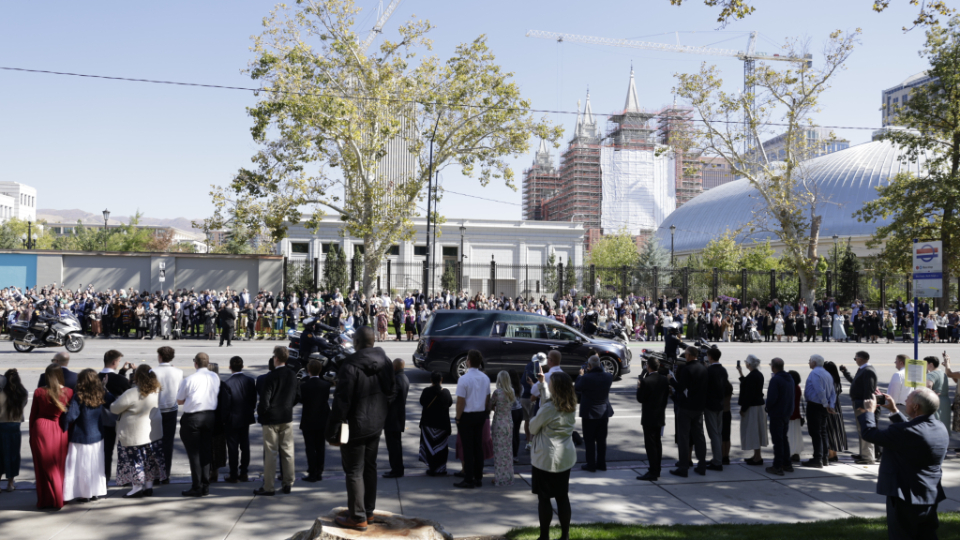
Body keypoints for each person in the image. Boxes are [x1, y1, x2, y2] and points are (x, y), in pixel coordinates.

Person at [327, 326, 395, 531]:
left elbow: (342, 401)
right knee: (370, 466)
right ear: (373, 342)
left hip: (356, 425)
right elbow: (392, 390)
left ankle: (358, 517)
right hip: (376, 423)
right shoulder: (386, 362)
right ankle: (368, 511)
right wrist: (381, 411)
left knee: (354, 471)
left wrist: (332, 429)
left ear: (356, 343)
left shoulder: (350, 365)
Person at [859, 388, 948, 538]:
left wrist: (869, 412)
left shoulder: (904, 432)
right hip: (929, 494)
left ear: (916, 406)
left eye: (908, 399)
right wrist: (894, 410)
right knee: (927, 535)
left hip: (905, 497)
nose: (905, 401)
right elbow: (912, 431)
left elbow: (869, 434)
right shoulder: (940, 427)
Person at [529, 371, 577, 540]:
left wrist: (534, 418)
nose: (549, 384)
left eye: (550, 383)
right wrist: (542, 385)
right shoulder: (571, 404)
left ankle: (544, 536)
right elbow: (548, 401)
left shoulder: (549, 409)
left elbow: (533, 428)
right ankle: (565, 535)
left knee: (544, 499)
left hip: (546, 459)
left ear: (556, 388)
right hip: (564, 458)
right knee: (562, 497)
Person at [110, 364, 166, 498]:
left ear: (137, 377)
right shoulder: (156, 389)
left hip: (135, 435)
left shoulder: (132, 393)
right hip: (153, 434)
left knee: (135, 462)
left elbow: (114, 408)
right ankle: (149, 487)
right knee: (149, 462)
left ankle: (136, 488)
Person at [255, 346, 301, 496]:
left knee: (271, 453)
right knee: (288, 451)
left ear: (276, 358)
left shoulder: (271, 376)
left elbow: (265, 400)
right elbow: (297, 396)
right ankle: (288, 482)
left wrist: (262, 413)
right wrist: (287, 406)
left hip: (271, 418)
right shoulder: (292, 375)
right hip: (286, 417)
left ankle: (269, 486)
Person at [63, 369, 114, 503]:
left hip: (81, 435)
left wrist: (64, 422)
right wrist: (104, 387)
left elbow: (71, 416)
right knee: (95, 465)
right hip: (97, 435)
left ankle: (84, 494)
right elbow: (112, 402)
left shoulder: (78, 396)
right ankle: (94, 492)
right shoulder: (100, 394)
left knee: (82, 467)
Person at [176, 352, 220, 497]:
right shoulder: (215, 377)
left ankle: (197, 486)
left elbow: (179, 400)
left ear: (195, 363)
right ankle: (205, 485)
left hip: (193, 417)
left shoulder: (189, 379)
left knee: (194, 454)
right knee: (206, 451)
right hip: (209, 416)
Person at [30, 364, 73, 509]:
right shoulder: (68, 392)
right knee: (58, 465)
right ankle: (59, 497)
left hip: (40, 429)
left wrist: (31, 434)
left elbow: (33, 415)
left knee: (43, 467)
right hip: (59, 429)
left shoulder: (39, 392)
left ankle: (46, 499)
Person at [455, 349, 492, 489]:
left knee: (468, 448)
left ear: (468, 362)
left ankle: (468, 479)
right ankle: (478, 477)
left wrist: (458, 418)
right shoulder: (485, 378)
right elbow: (487, 398)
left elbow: (460, 402)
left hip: (467, 416)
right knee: (478, 447)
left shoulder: (464, 379)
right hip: (480, 414)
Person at [669, 346, 708, 477]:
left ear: (690, 356)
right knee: (699, 436)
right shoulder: (703, 368)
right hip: (699, 407)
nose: (685, 356)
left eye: (686, 354)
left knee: (684, 438)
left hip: (686, 407)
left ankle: (683, 467)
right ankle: (702, 465)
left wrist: (671, 380)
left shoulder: (687, 369)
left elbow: (680, 388)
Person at [574, 355, 613, 472]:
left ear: (589, 366)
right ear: (600, 364)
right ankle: (601, 463)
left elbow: (577, 387)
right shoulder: (608, 377)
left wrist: (580, 375)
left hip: (589, 413)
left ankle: (590, 464)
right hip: (603, 412)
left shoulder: (586, 378)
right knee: (601, 440)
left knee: (589, 440)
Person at [840, 351, 879, 464]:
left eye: (855, 358)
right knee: (861, 430)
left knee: (865, 429)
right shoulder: (863, 369)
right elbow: (855, 382)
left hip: (863, 405)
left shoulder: (868, 371)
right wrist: (845, 372)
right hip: (858, 403)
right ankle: (863, 454)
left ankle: (868, 457)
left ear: (861, 359)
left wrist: (865, 407)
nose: (855, 360)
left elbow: (869, 390)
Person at [99, 349, 132, 483]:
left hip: (101, 421)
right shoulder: (120, 380)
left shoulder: (95, 378)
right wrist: (124, 374)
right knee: (124, 451)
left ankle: (104, 479)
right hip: (119, 420)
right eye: (118, 361)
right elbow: (129, 395)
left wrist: (122, 372)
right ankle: (125, 478)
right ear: (114, 362)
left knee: (105, 453)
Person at [224, 356, 257, 483]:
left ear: (230, 367)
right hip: (245, 416)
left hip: (232, 419)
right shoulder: (250, 380)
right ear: (242, 366)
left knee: (233, 448)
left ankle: (233, 474)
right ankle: (244, 472)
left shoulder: (227, 383)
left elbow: (226, 404)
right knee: (245, 446)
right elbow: (253, 399)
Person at [153, 346, 183, 482]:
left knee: (155, 442)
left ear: (160, 356)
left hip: (156, 409)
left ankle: (155, 473)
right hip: (171, 409)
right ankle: (166, 474)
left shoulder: (153, 371)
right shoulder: (178, 372)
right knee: (168, 443)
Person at [636, 357, 669, 481]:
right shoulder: (664, 379)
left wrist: (639, 386)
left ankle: (653, 471)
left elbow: (640, 399)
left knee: (650, 445)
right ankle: (657, 469)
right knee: (657, 443)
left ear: (648, 366)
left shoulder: (646, 381)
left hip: (649, 417)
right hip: (659, 415)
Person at [300, 359, 332, 482]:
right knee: (320, 446)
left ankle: (312, 471)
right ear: (320, 370)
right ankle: (319, 471)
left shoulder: (304, 385)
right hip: (322, 419)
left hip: (308, 419)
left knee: (310, 447)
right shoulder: (326, 385)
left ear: (308, 370)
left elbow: (302, 400)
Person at [803, 354, 837, 469]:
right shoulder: (827, 374)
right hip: (823, 406)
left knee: (815, 432)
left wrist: (826, 404)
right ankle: (824, 457)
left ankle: (818, 458)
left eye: (810, 361)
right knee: (822, 431)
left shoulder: (815, 373)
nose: (809, 362)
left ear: (814, 362)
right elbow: (832, 392)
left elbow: (819, 390)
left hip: (816, 405)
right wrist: (830, 405)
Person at [418, 371, 453, 476]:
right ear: (441, 380)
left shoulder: (426, 391)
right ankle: (441, 469)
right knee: (441, 448)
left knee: (429, 447)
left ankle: (432, 468)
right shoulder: (446, 392)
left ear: (431, 380)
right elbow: (450, 403)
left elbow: (422, 402)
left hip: (428, 424)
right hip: (442, 425)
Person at [736, 354, 768, 465]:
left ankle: (757, 457)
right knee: (756, 431)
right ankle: (756, 455)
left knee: (754, 431)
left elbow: (749, 394)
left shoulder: (752, 376)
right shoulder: (757, 374)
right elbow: (746, 384)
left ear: (748, 364)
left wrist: (743, 409)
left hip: (753, 407)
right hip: (758, 406)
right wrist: (740, 373)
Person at [764, 358, 794, 476]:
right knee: (783, 439)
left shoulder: (775, 379)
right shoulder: (789, 378)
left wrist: (768, 407)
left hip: (777, 413)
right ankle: (787, 463)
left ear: (773, 367)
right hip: (787, 412)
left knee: (778, 441)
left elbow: (772, 398)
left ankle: (777, 466)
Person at [0, 368, 28, 493]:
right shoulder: (23, 393)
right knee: (13, 455)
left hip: (1, 425)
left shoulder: (1, 393)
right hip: (15, 426)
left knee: (1, 455)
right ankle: (10, 483)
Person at [383, 358, 410, 479]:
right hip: (398, 417)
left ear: (395, 367)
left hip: (392, 418)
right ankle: (397, 468)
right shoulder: (404, 378)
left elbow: (390, 399)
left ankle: (396, 469)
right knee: (396, 445)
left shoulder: (396, 380)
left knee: (393, 446)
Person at [489, 370, 516, 486]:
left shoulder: (497, 393)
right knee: (508, 451)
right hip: (509, 422)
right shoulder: (512, 391)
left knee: (499, 451)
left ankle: (499, 477)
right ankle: (508, 477)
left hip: (499, 423)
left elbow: (490, 405)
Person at [704, 347, 727, 471]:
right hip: (720, 404)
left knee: (713, 434)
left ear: (710, 357)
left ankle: (717, 461)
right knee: (718, 433)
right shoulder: (723, 370)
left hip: (711, 405)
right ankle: (717, 458)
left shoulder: (709, 371)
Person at [823, 361, 848, 462]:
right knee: (836, 429)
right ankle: (834, 453)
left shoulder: (829, 380)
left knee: (830, 429)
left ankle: (831, 454)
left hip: (831, 406)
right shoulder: (836, 379)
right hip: (837, 406)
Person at [786, 370, 805, 463]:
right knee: (796, 435)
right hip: (797, 415)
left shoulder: (790, 388)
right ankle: (796, 453)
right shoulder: (797, 387)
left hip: (789, 415)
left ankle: (790, 452)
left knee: (789, 435)